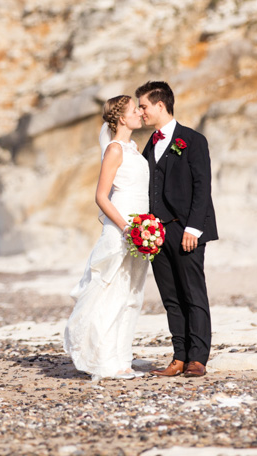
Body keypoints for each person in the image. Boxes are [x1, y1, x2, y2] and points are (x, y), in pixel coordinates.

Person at [62, 95, 153, 379]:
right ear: (122, 119)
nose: (140, 113)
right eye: (134, 110)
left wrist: (145, 228)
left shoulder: (133, 148)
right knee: (111, 292)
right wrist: (127, 228)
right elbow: (101, 196)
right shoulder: (114, 149)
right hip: (122, 228)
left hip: (141, 227)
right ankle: (104, 360)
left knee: (132, 294)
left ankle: (122, 359)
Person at [136, 80, 218, 378]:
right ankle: (179, 357)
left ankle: (198, 358)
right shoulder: (151, 143)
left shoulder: (193, 140)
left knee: (193, 294)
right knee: (171, 298)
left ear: (160, 105)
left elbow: (202, 186)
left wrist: (193, 228)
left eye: (143, 106)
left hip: (185, 230)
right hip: (156, 233)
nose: (140, 112)